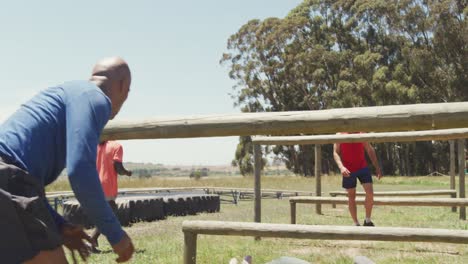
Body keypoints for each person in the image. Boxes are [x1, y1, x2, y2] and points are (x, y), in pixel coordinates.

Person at [0, 57, 135, 263]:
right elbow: (80, 171)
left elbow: (26, 178)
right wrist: (116, 234)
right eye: (128, 92)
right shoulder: (96, 98)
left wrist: (60, 226)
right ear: (123, 85)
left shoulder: (67, 92)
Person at [91, 140, 132, 252]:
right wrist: (127, 172)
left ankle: (94, 240)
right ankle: (92, 239)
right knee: (109, 213)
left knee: (106, 213)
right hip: (107, 185)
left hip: (94, 183)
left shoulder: (97, 145)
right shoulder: (116, 146)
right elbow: (118, 168)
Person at [333, 133, 382, 226]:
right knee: (351, 196)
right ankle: (356, 223)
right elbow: (335, 152)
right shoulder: (339, 134)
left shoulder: (361, 133)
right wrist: (341, 167)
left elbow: (370, 149)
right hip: (348, 169)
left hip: (362, 167)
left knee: (370, 193)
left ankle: (367, 220)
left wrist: (377, 167)